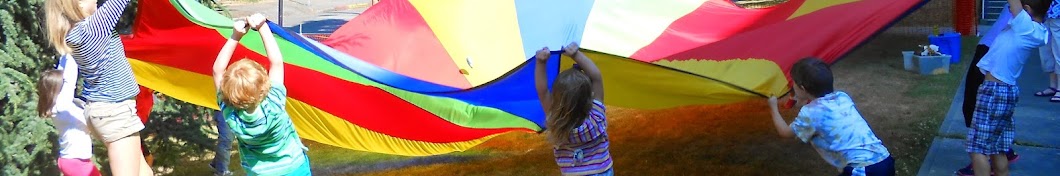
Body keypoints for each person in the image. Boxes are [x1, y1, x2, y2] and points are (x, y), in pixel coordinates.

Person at [45, 0, 152, 174]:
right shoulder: (92, 29)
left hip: (106, 110)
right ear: (77, 3)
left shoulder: (76, 33)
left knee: (145, 173)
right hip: (115, 112)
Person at [213, 14, 310, 175]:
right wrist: (262, 27)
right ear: (265, 84)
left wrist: (235, 36)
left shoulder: (232, 115)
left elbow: (217, 71)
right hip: (295, 169)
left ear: (228, 93)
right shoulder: (274, 104)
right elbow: (277, 62)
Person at [766, 58, 894, 176]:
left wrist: (773, 108)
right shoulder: (842, 96)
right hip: (884, 159)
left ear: (802, 88)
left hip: (862, 169)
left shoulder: (810, 113)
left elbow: (785, 132)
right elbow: (822, 111)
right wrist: (802, 100)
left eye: (793, 82)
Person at [967, 0, 1051, 175]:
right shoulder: (1035, 30)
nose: (1010, 10)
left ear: (1026, 10)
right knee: (996, 147)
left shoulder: (1025, 26)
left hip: (994, 92)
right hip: (1005, 92)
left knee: (978, 148)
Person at [534, 43, 614, 175]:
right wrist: (576, 54)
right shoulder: (596, 119)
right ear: (590, 96)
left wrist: (541, 62)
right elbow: (596, 77)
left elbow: (542, 91)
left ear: (556, 99)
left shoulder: (555, 123)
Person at [37, 55, 101, 176]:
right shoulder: (62, 106)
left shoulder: (59, 106)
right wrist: (71, 51)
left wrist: (64, 54)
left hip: (73, 161)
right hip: (76, 162)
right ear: (58, 89)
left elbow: (63, 71)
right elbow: (69, 79)